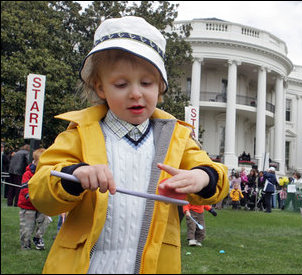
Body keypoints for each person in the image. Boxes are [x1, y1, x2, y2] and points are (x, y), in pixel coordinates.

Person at [28, 16, 229, 274]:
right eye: (121, 84)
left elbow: (217, 176)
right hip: (87, 267)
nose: (136, 93)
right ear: (100, 88)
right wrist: (73, 176)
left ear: (160, 87)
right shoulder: (78, 135)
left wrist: (202, 176)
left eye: (146, 83)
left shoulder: (176, 138)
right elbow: (40, 192)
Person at [18, 148, 50, 250]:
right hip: (28, 205)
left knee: (46, 220)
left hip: (41, 204)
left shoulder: (46, 173)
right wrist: (33, 198)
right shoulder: (27, 174)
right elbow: (25, 190)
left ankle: (38, 238)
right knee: (27, 228)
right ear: (35, 161)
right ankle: (25, 244)